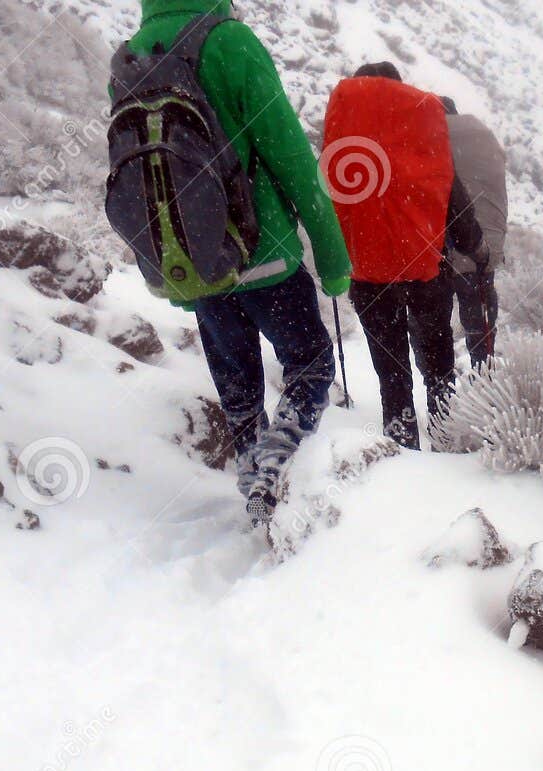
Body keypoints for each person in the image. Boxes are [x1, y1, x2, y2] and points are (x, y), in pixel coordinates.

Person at [112, 0, 352, 524]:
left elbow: (145, 180)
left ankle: (252, 474)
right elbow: (289, 155)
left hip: (200, 265)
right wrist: (332, 257)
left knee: (237, 383)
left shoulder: (131, 58)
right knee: (309, 366)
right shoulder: (229, 41)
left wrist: (174, 274)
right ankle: (278, 470)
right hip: (266, 259)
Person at [322, 63, 490, 448]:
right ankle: (447, 439)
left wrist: (331, 259)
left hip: (367, 277)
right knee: (439, 366)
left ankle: (400, 448)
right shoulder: (422, 142)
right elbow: (454, 201)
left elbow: (328, 205)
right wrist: (476, 248)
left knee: (392, 373)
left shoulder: (345, 142)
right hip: (424, 273)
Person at [439, 96, 507, 368]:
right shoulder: (483, 136)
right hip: (484, 245)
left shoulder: (430, 138)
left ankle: (440, 395)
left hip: (441, 246)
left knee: (434, 324)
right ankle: (486, 379)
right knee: (479, 322)